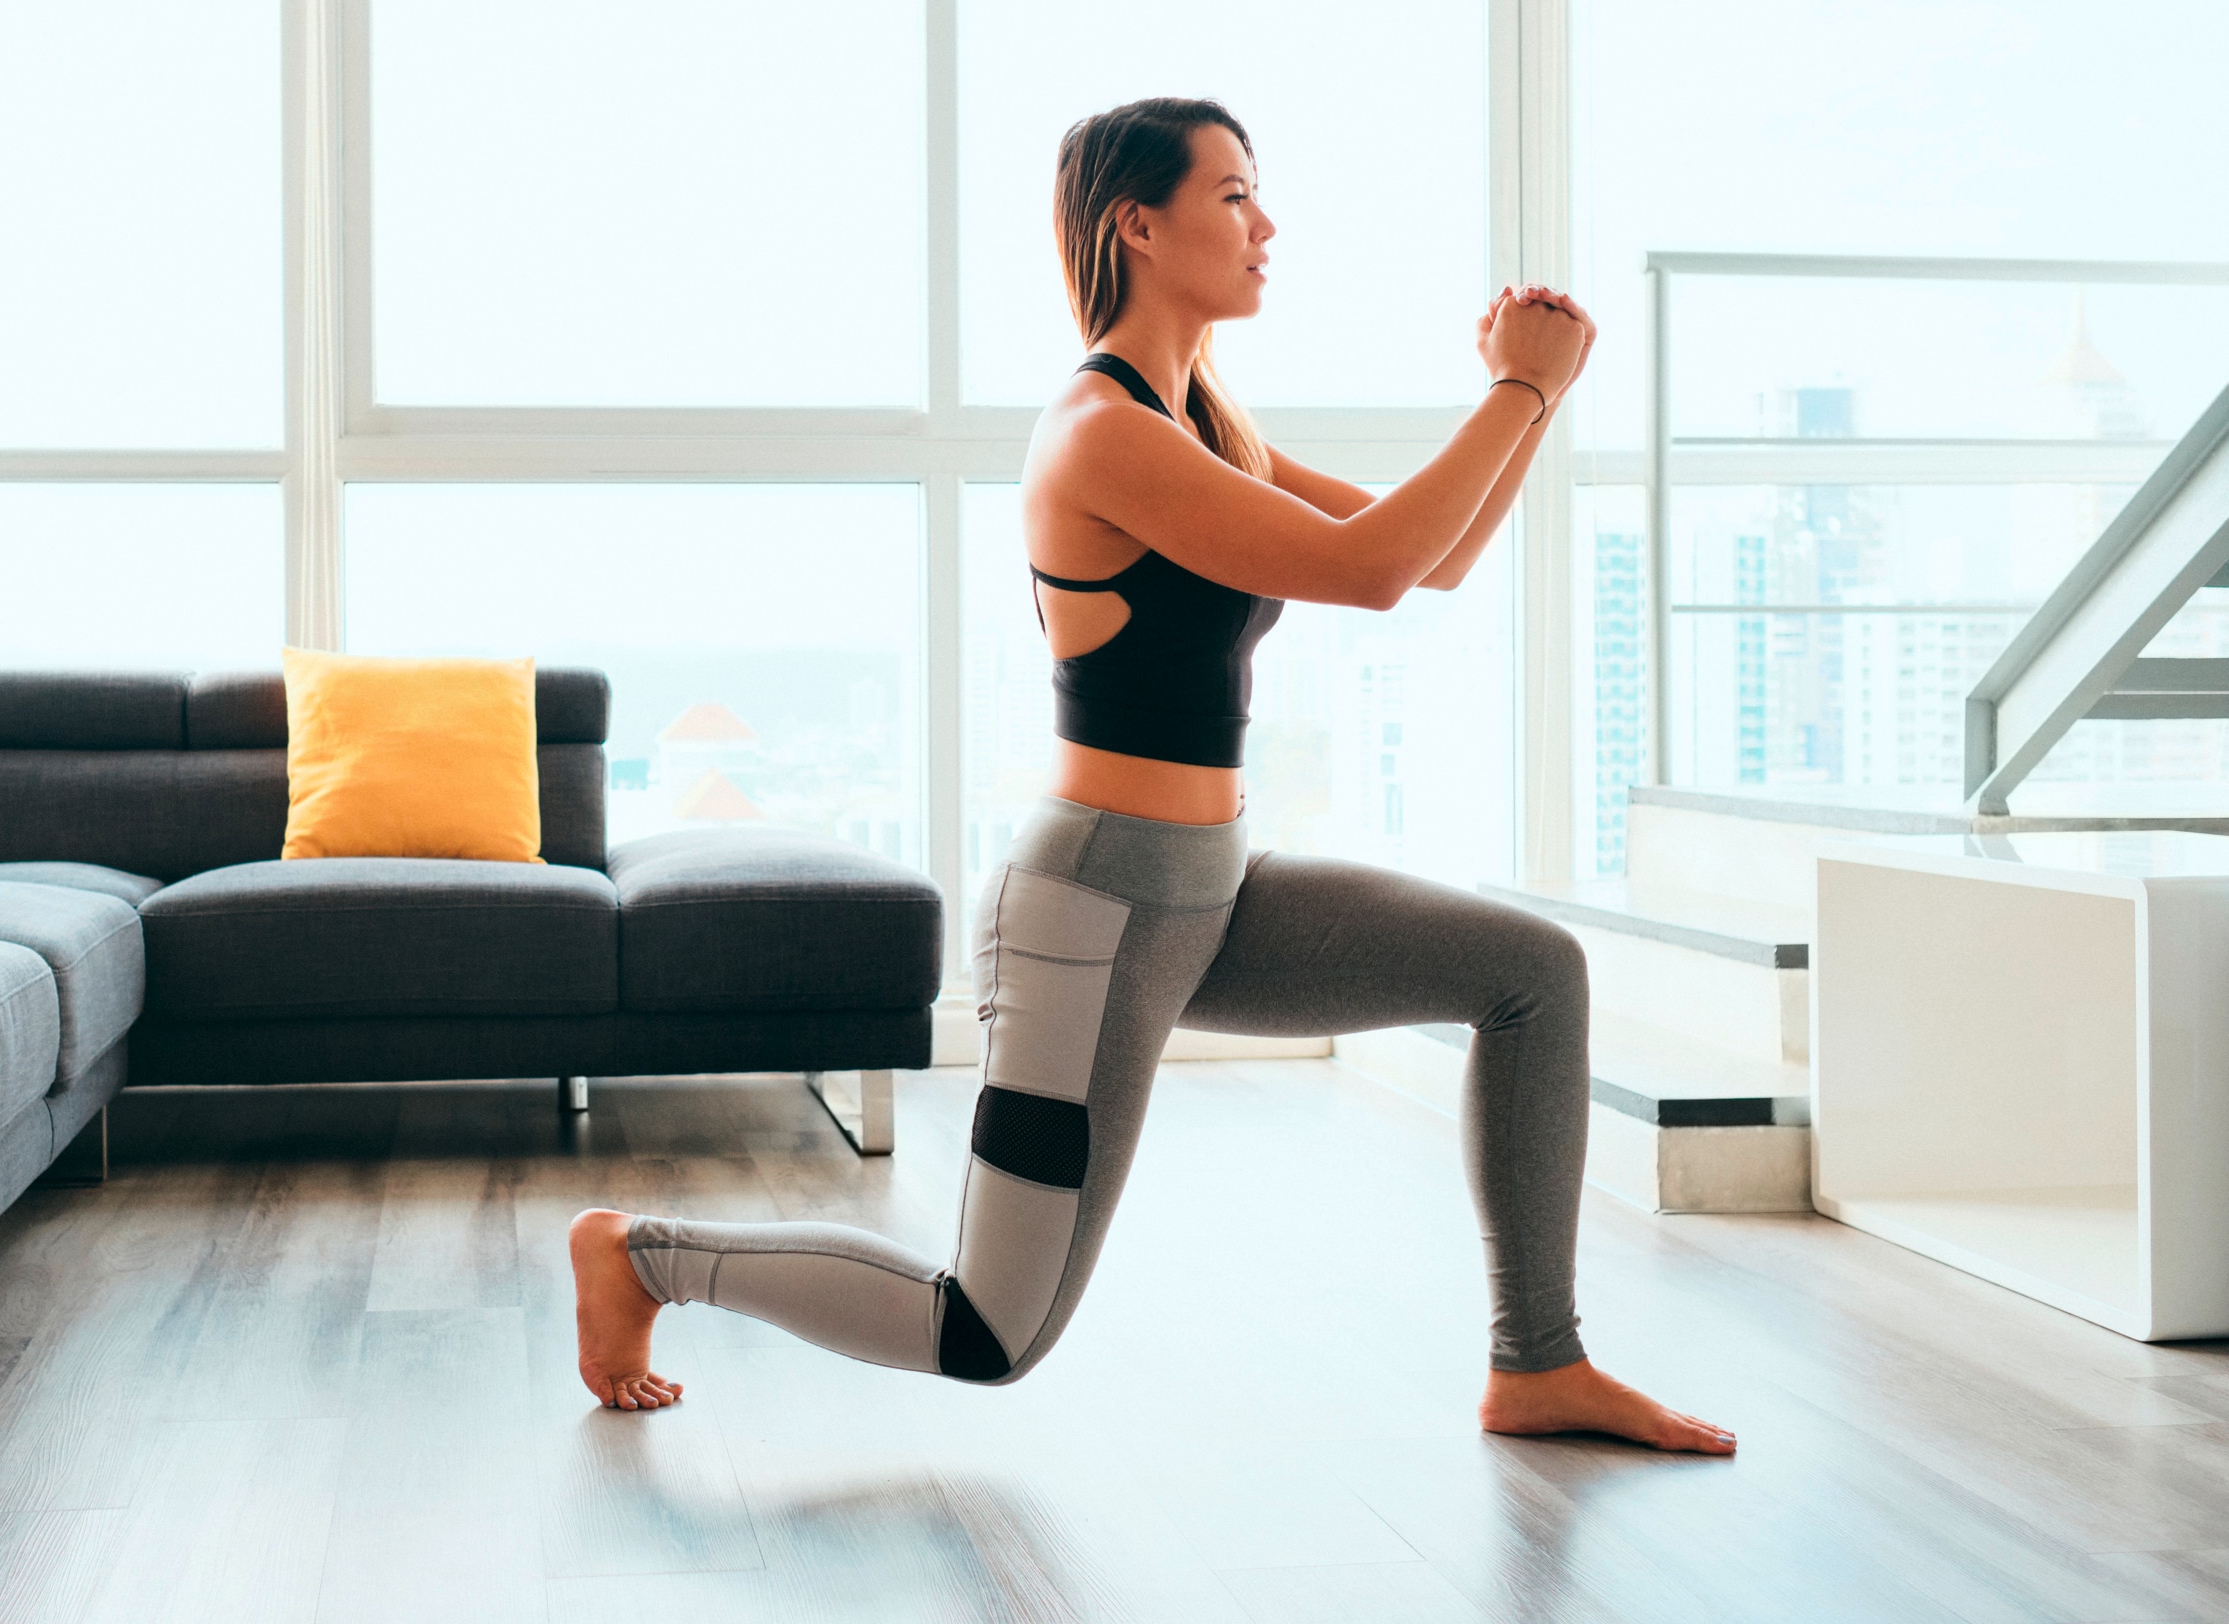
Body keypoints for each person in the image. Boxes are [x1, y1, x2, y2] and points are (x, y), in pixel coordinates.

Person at [569, 96, 1734, 1455]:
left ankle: (1537, 1364)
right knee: (987, 1330)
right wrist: (1517, 389)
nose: (1266, 225)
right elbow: (1369, 572)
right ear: (1139, 220)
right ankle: (643, 1258)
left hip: (1213, 890)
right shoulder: (1103, 433)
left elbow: (1439, 557)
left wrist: (1538, 400)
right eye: (1234, 194)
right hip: (1097, 908)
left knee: (1531, 974)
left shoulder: (1205, 422)